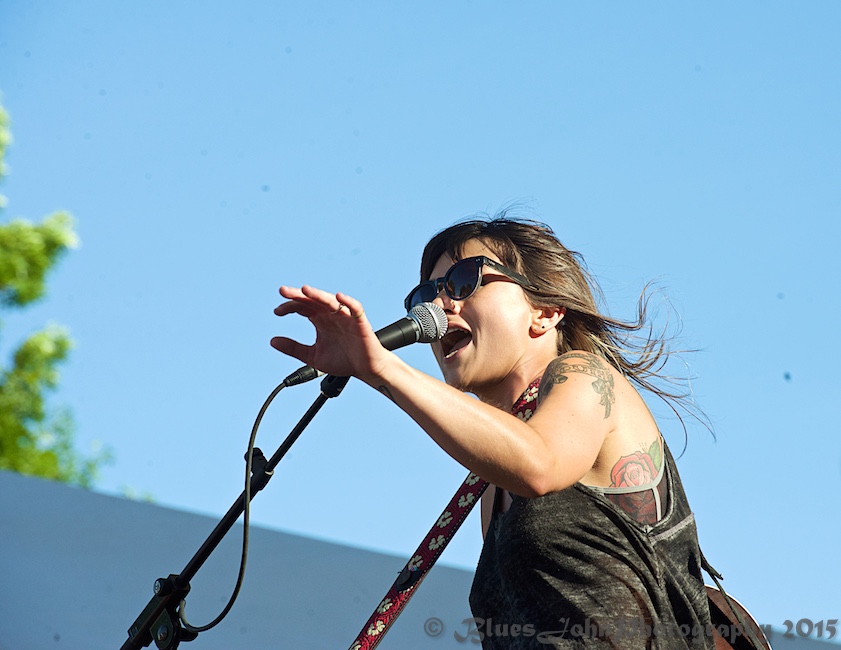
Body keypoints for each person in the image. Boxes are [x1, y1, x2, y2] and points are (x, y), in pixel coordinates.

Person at [271, 214, 714, 649]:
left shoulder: (584, 374)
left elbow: (540, 464)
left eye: (465, 280)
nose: (437, 306)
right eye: (427, 293)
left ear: (545, 310)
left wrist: (382, 367)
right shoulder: (488, 484)